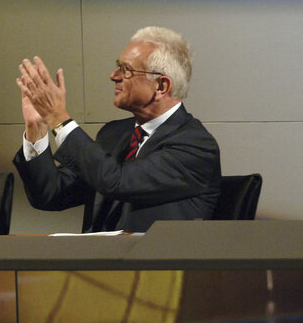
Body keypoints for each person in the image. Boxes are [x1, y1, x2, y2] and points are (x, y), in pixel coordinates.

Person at [13, 26, 221, 233]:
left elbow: (118, 182)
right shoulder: (114, 135)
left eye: (126, 70)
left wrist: (58, 118)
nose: (114, 76)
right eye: (117, 66)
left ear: (161, 86)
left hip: (155, 263)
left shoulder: (196, 146)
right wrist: (37, 127)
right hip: (96, 261)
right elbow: (51, 195)